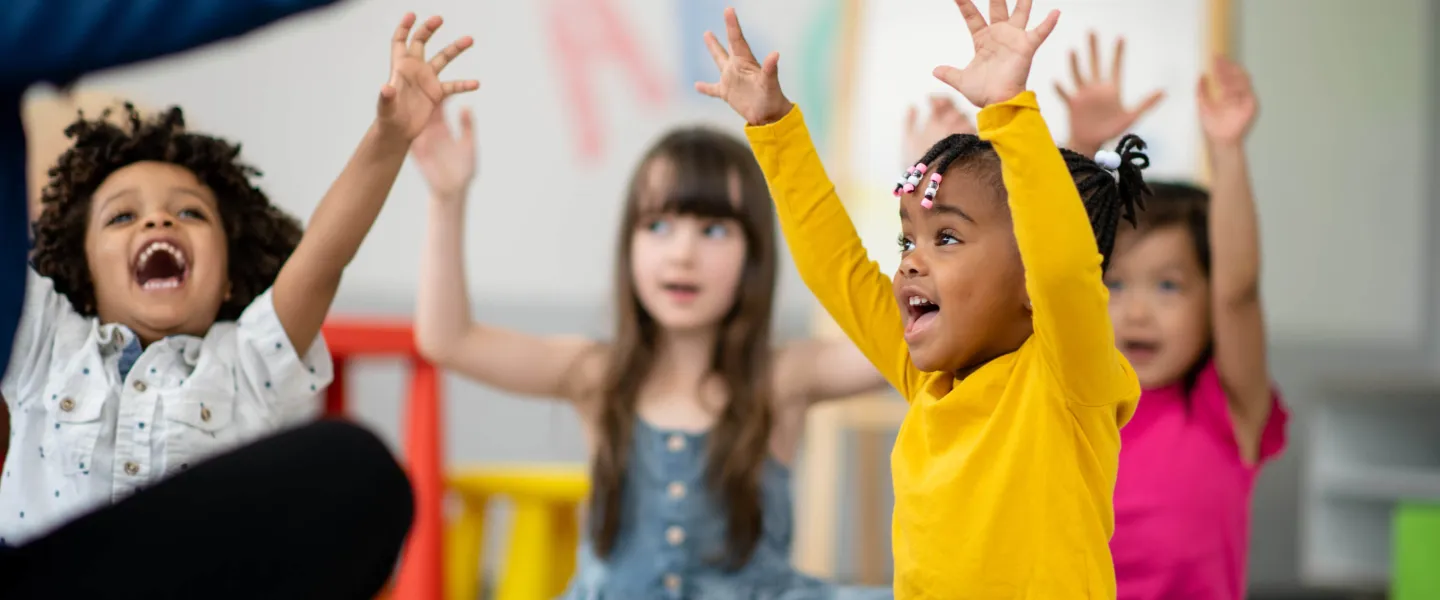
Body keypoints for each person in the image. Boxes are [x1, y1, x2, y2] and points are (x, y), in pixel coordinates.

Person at [0, 12, 478, 599]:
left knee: (356, 465)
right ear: (82, 271)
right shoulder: (46, 338)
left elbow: (324, 257)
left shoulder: (250, 363)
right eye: (122, 216)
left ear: (229, 278)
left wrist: (389, 137)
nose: (158, 219)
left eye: (191, 213)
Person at [697, 1, 1150, 597]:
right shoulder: (928, 382)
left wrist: (1008, 111)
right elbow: (838, 269)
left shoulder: (1068, 378)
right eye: (908, 237)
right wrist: (773, 127)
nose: (910, 259)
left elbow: (1065, 269)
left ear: (1030, 283)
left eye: (948, 238)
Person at [411, 93, 891, 598]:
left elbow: (900, 342)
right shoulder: (595, 373)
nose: (682, 254)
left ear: (754, 252)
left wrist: (926, 217)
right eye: (658, 226)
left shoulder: (783, 375)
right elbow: (448, 340)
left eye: (713, 230)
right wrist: (446, 199)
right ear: (629, 244)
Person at [1084, 55, 1288, 600]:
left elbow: (1238, 292)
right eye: (1116, 286)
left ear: (1208, 301)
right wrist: (1084, 154)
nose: (1137, 313)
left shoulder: (1226, 408)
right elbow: (1054, 266)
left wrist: (1227, 151)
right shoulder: (1080, 407)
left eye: (1168, 286)